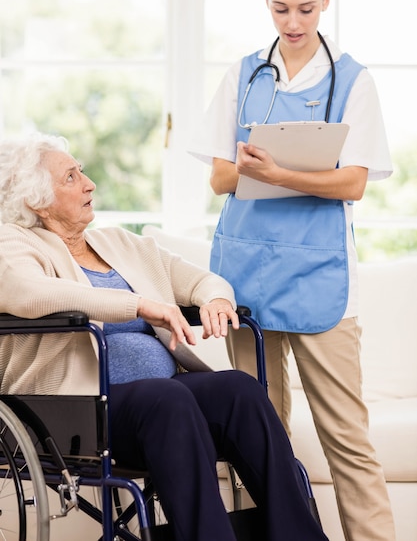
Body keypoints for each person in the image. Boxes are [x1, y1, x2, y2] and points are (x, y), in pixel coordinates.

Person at [0, 133, 328, 541]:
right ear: (36, 200)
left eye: (81, 171)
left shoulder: (118, 242)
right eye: (71, 177)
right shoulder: (12, 244)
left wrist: (216, 300)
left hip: (163, 403)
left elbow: (202, 280)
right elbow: (32, 293)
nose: (89, 183)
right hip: (75, 411)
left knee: (239, 390)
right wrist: (137, 305)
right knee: (166, 397)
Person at [189, 0, 396, 541]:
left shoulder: (353, 80)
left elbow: (352, 183)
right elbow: (220, 177)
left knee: (346, 439)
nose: (293, 22)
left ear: (325, 2)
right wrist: (274, 171)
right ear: (267, 2)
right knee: (261, 434)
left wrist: (277, 173)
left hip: (322, 280)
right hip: (248, 275)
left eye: (306, 8)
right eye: (281, 8)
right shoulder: (245, 73)